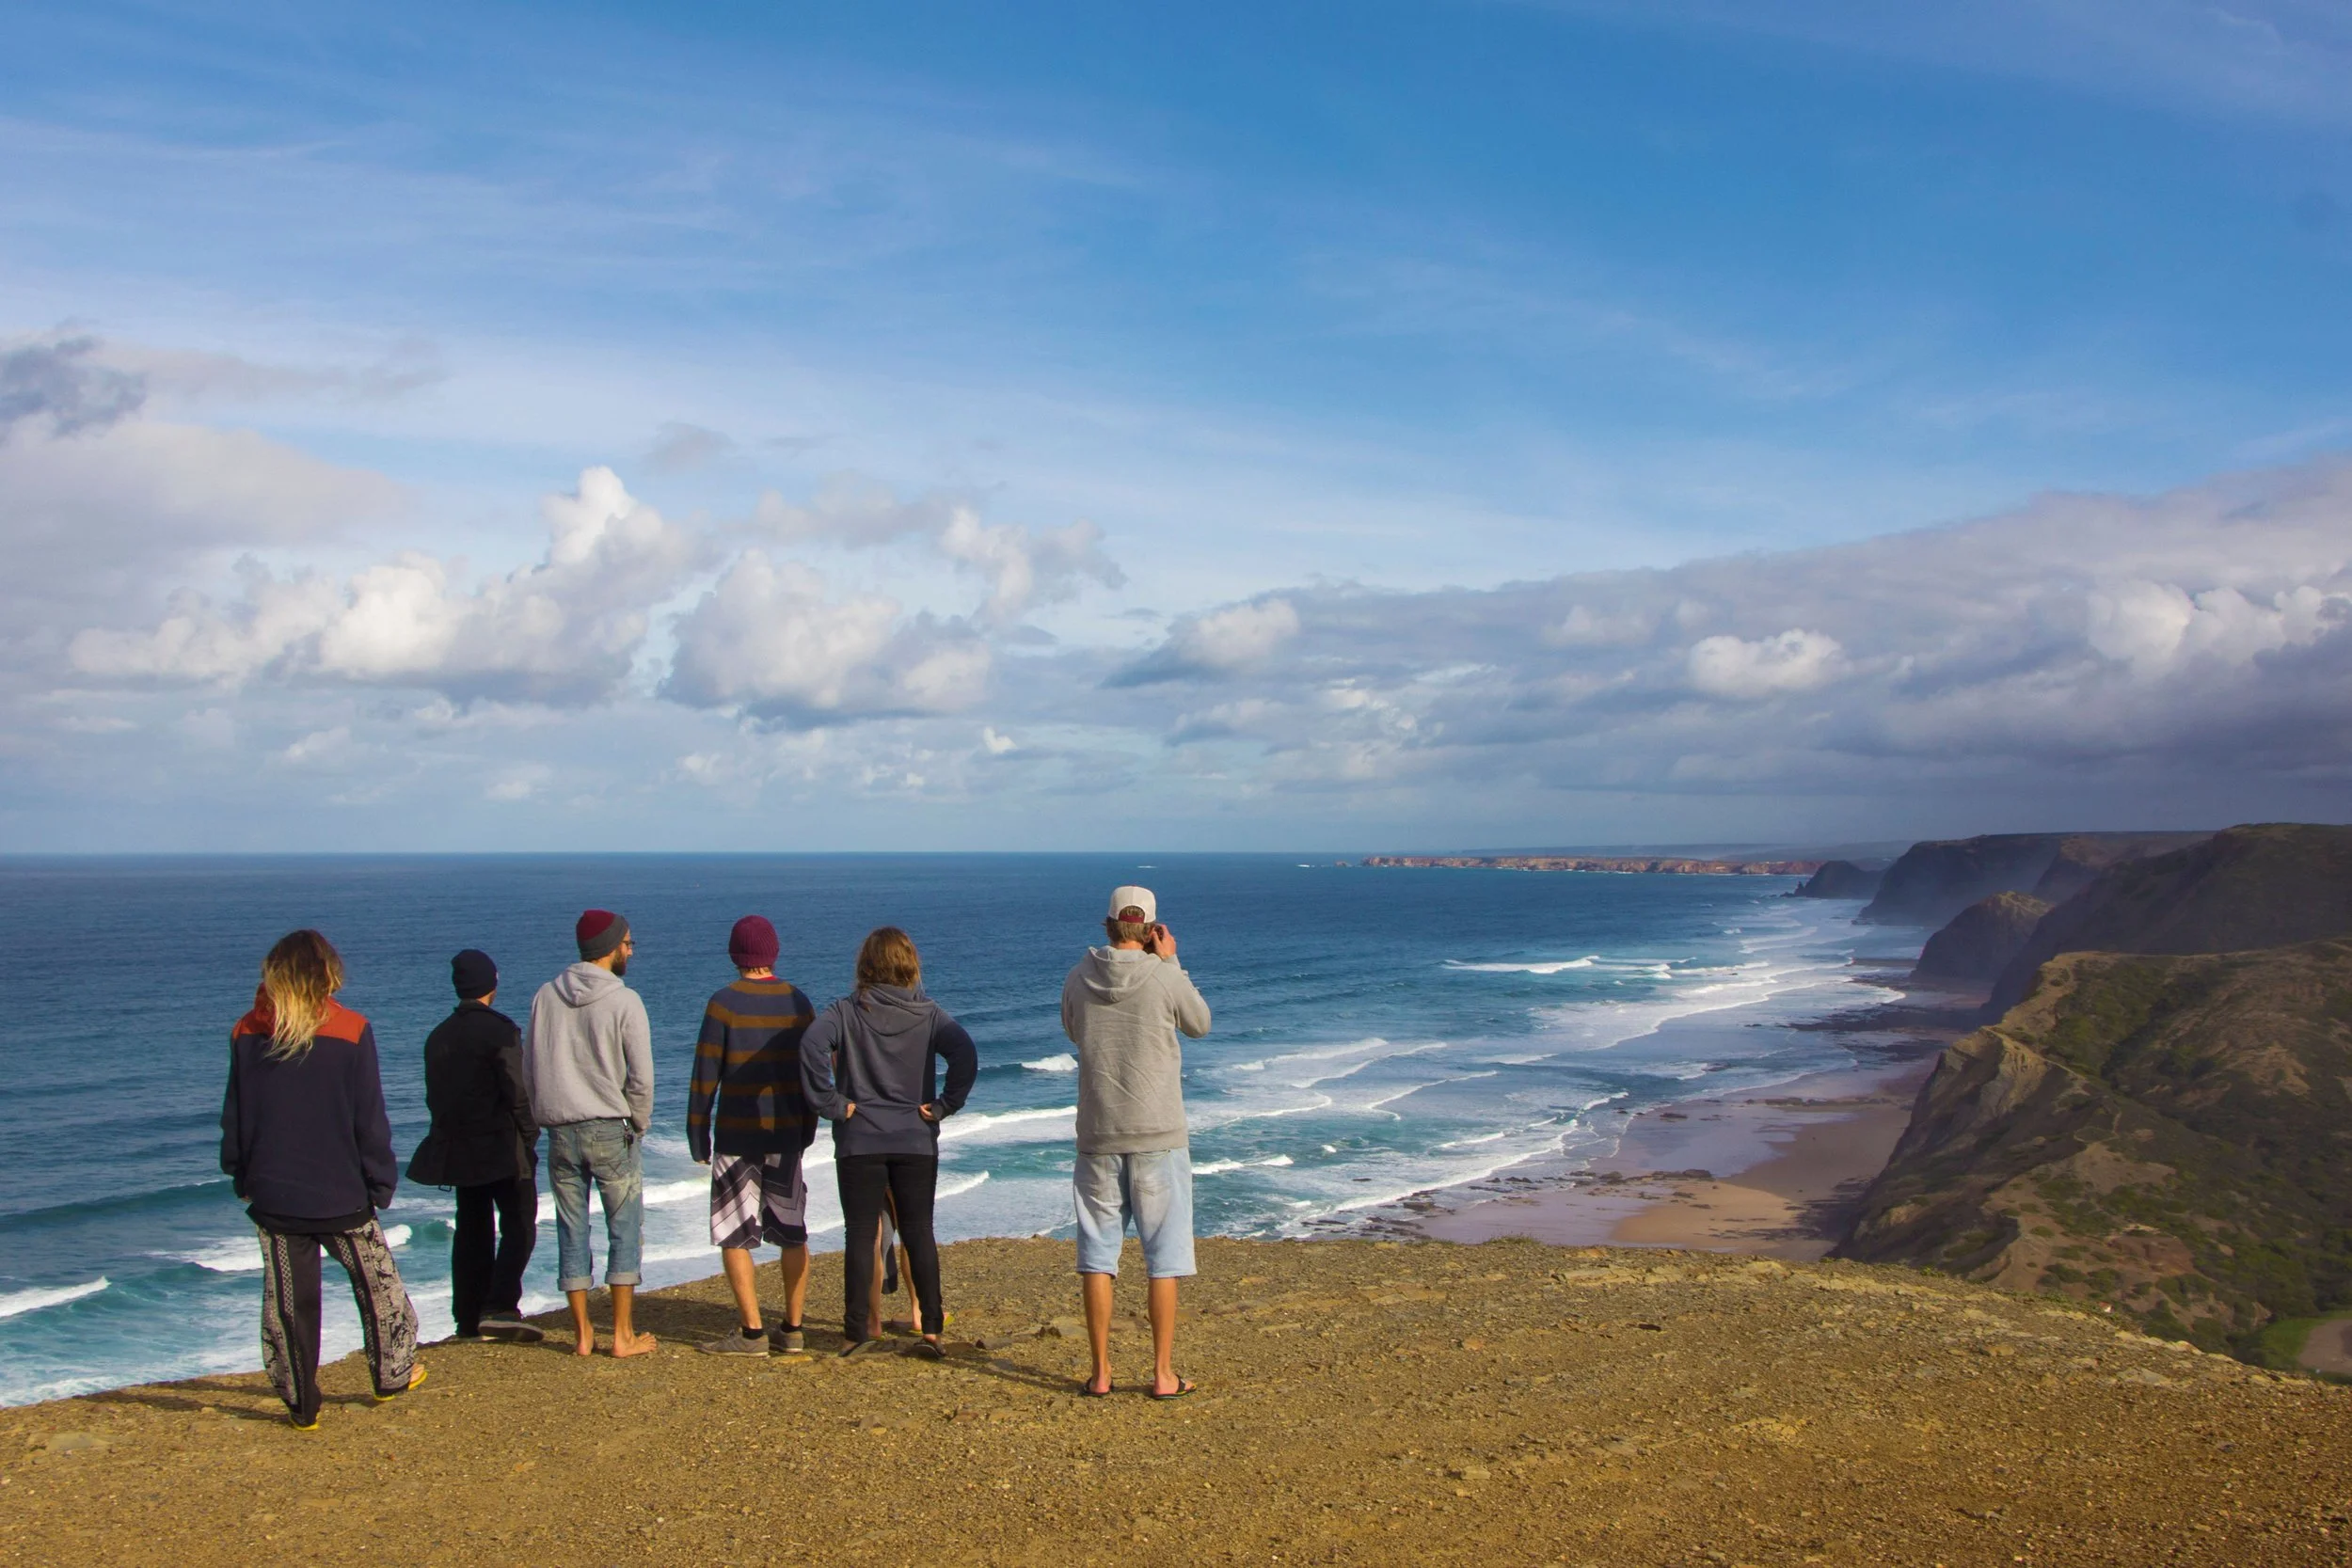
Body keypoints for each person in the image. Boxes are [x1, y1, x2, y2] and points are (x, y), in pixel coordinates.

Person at [219, 929, 424, 1429]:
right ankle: (391, 1376)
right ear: (326, 974)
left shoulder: (248, 1031)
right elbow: (368, 1118)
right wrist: (380, 1181)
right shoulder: (350, 1029)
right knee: (379, 1289)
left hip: (274, 1192)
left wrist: (240, 1173)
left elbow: (237, 1116)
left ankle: (301, 1404)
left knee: (288, 1304)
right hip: (341, 1191)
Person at [799, 927, 977, 1358]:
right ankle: (931, 1332)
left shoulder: (845, 1012)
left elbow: (809, 1046)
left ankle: (856, 1333)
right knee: (919, 1232)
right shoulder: (930, 1014)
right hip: (915, 1140)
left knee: (860, 1235)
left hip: (860, 1140)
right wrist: (942, 1107)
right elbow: (966, 1056)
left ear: (866, 966)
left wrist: (833, 1105)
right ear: (909, 965)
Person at [1062, 885, 1211, 1399]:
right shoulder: (1164, 976)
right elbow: (1200, 1024)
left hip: (1099, 1134)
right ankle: (1163, 1374)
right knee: (1163, 1257)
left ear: (1107, 924)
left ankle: (1101, 1372)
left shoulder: (1078, 978)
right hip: (1159, 1135)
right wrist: (1171, 964)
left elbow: (1072, 1030)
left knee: (1097, 1256)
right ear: (1151, 930)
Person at [522, 909, 656, 1358]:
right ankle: (621, 1334)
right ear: (612, 948)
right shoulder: (624, 1001)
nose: (631, 951)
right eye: (629, 944)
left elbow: (530, 1066)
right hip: (608, 1126)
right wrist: (639, 1121)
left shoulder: (545, 996)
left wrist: (543, 1114)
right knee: (624, 1228)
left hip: (559, 1127)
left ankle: (582, 1334)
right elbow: (641, 1076)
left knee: (571, 1228)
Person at [687, 915, 818, 1356]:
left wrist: (697, 1133)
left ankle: (752, 1333)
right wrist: (809, 1129)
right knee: (792, 1230)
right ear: (773, 953)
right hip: (787, 1134)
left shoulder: (723, 1003)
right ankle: (794, 1329)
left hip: (737, 1136)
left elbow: (705, 1074)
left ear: (735, 955)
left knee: (734, 1232)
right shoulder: (798, 1002)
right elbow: (813, 1073)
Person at [406, 948, 542, 1343]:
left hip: (460, 1147)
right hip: (503, 1145)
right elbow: (517, 1091)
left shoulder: (439, 1036)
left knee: (472, 1230)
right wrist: (530, 1135)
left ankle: (468, 1317)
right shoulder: (501, 1031)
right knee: (519, 1225)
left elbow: (435, 1098)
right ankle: (500, 1305)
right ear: (491, 985)